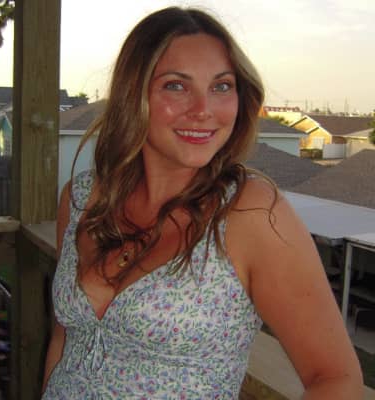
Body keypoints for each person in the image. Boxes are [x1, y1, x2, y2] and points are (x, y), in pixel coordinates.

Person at [42, 6, 363, 399]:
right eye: (176, 86)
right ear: (133, 94)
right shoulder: (82, 199)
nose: (203, 110)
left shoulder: (251, 213)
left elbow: (336, 378)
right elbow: (63, 339)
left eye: (221, 86)